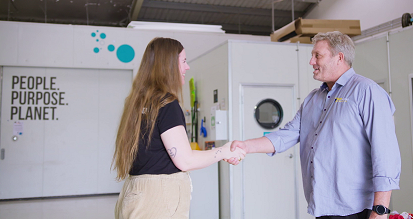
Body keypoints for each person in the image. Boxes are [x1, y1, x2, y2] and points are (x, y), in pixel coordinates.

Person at [227, 31, 401, 219]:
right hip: (322, 206)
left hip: (357, 210)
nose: (311, 62)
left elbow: (386, 153)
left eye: (317, 55)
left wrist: (380, 210)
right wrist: (246, 146)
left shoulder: (367, 92)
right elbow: (286, 135)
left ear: (339, 58)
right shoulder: (313, 99)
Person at [112, 37, 245, 219]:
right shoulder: (166, 104)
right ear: (168, 65)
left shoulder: (137, 103)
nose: (187, 67)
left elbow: (169, 153)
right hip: (158, 200)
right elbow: (185, 160)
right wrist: (223, 151)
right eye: (183, 61)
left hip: (134, 194)